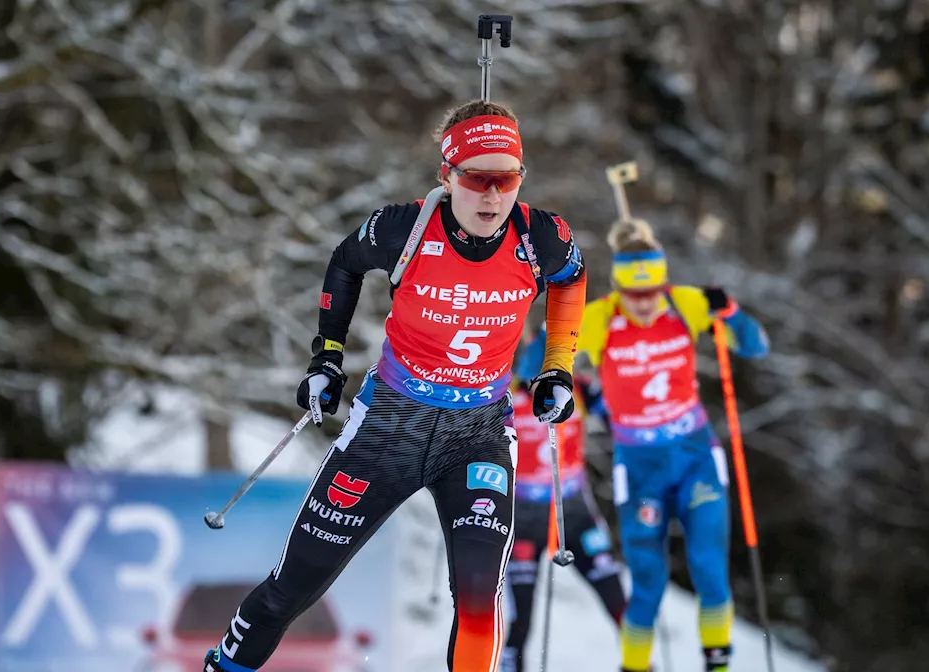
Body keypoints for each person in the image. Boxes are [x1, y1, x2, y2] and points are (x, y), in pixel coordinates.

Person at [203, 100, 588, 672]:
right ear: (447, 175)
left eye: (506, 180)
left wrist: (557, 365)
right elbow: (344, 261)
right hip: (389, 426)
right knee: (294, 587)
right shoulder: (403, 228)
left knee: (481, 600)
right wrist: (326, 357)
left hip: (477, 434)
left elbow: (571, 280)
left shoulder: (541, 236)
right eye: (476, 178)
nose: (492, 196)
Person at [575, 218, 769, 672]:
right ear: (618, 288)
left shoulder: (685, 303)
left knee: (709, 569)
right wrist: (570, 385)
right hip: (639, 465)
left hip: (694, 457)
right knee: (647, 584)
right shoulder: (598, 317)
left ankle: (717, 665)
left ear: (665, 284)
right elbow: (536, 360)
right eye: (634, 296)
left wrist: (731, 311)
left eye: (653, 293)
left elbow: (755, 346)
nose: (645, 306)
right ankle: (635, 667)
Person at [500, 325, 626, 672]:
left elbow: (623, 413)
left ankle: (640, 663)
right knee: (520, 617)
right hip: (523, 516)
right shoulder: (504, 395)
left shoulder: (580, 389)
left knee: (616, 597)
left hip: (574, 511)